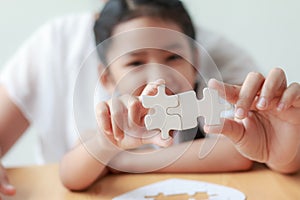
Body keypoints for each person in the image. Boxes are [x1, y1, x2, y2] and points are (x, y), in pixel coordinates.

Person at [0, 0, 298, 197]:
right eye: (135, 63)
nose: (158, 75)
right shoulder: (111, 124)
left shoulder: (212, 91)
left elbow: (240, 153)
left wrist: (123, 161)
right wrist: (108, 146)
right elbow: (70, 174)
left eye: (173, 58)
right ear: (105, 77)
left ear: (195, 63)